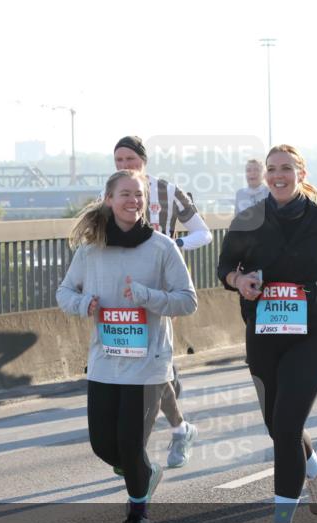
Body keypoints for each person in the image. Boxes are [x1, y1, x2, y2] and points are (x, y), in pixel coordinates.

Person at [217, 144, 317, 523]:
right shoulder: (250, 218)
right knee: (276, 425)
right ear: (265, 176)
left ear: (300, 172)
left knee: (285, 425)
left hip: (309, 331)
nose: (278, 176)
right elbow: (224, 266)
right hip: (262, 332)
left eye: (286, 169)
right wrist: (238, 281)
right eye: (271, 170)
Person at [57, 170, 198, 523]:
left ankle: (139, 516)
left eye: (139, 194)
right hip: (105, 362)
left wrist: (148, 296)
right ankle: (144, 474)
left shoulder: (162, 247)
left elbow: (188, 301)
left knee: (131, 445)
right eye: (125, 194)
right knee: (104, 445)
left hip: (148, 365)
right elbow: (64, 292)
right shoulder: (91, 250)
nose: (132, 200)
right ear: (109, 199)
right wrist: (83, 302)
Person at [112, 136, 211, 468]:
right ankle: (180, 428)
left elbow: (204, 233)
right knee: (142, 360)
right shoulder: (110, 192)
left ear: (144, 160)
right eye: (119, 161)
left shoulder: (168, 191)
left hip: (163, 286)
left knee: (149, 360)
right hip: (125, 288)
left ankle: (134, 449)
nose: (125, 166)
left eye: (130, 159)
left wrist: (174, 244)